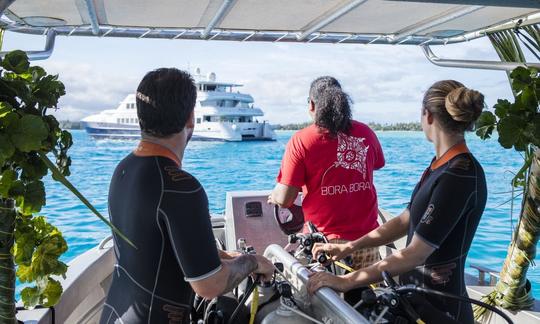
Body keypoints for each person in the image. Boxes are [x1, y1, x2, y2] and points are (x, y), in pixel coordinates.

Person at [100, 68, 274, 324]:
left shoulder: (124, 169)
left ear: (141, 117)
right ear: (191, 118)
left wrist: (227, 257)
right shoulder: (181, 188)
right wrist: (254, 262)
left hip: (115, 315)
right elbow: (209, 285)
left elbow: (158, 250)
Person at [308, 80, 487, 324]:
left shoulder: (459, 175)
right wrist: (348, 247)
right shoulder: (440, 166)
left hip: (442, 311)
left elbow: (415, 254)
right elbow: (406, 219)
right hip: (416, 303)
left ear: (428, 116)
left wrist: (345, 281)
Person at [268, 76, 385, 270]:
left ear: (312, 105)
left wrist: (275, 197)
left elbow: (286, 198)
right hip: (367, 241)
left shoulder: (302, 140)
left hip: (324, 244)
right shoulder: (366, 132)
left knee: (324, 298)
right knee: (367, 297)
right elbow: (377, 164)